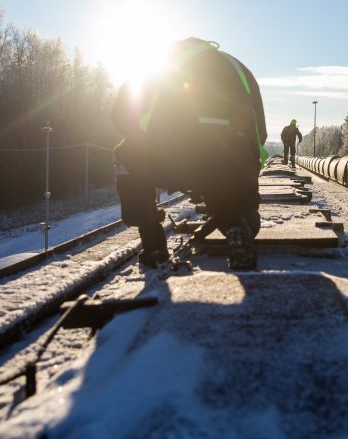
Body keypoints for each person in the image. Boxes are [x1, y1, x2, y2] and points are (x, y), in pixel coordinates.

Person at [111, 37, 268, 271]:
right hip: (233, 164)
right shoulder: (239, 68)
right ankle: (238, 225)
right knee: (231, 189)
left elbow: (121, 115)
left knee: (125, 152)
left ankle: (154, 246)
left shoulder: (158, 68)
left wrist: (153, 141)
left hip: (177, 162)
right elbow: (260, 133)